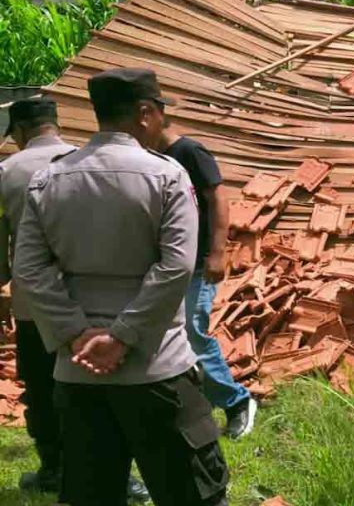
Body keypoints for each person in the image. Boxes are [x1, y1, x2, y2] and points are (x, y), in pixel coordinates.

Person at [13, 68, 229, 506]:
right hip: (157, 366)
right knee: (194, 494)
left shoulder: (49, 179)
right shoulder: (166, 175)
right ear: (145, 112)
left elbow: (29, 270)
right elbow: (175, 267)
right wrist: (122, 337)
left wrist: (77, 333)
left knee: (91, 493)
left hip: (78, 371)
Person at [0, 99, 149, 502]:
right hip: (98, 307)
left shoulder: (7, 172)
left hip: (36, 308)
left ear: (19, 132)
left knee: (43, 389)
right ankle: (122, 477)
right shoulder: (90, 162)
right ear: (55, 124)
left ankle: (53, 469)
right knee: (107, 391)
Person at [155, 127, 257, 438]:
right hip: (166, 264)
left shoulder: (190, 152)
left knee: (191, 332)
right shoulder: (152, 156)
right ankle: (189, 405)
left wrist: (217, 253)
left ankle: (237, 401)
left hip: (197, 263)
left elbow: (218, 200)